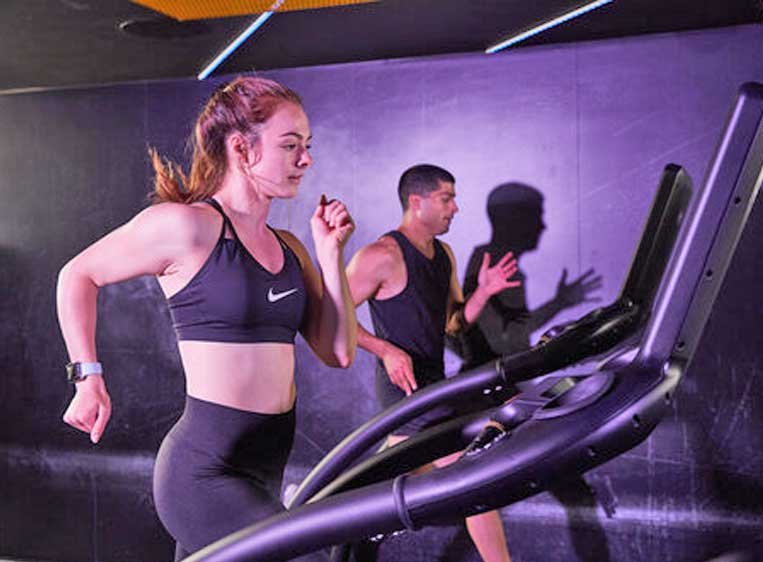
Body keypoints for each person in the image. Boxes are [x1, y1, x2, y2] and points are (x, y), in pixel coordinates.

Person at [56, 76, 357, 561]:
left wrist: (329, 254)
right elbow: (77, 276)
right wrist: (86, 378)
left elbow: (339, 351)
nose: (306, 159)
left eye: (307, 146)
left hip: (267, 463)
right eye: (290, 145)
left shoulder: (292, 248)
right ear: (242, 148)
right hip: (204, 471)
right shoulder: (187, 226)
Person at [346, 164, 519, 562]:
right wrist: (385, 350)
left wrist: (484, 292)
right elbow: (329, 319)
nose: (455, 208)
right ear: (416, 201)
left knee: (394, 481)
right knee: (472, 475)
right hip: (404, 389)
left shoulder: (444, 255)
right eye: (447, 198)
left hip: (434, 384)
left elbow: (453, 323)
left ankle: (331, 513)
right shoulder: (381, 255)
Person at [459, 182, 602, 370]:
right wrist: (559, 305)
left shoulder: (497, 264)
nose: (543, 226)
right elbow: (508, 342)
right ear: (515, 221)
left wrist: (560, 302)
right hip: (494, 385)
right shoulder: (493, 268)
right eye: (536, 217)